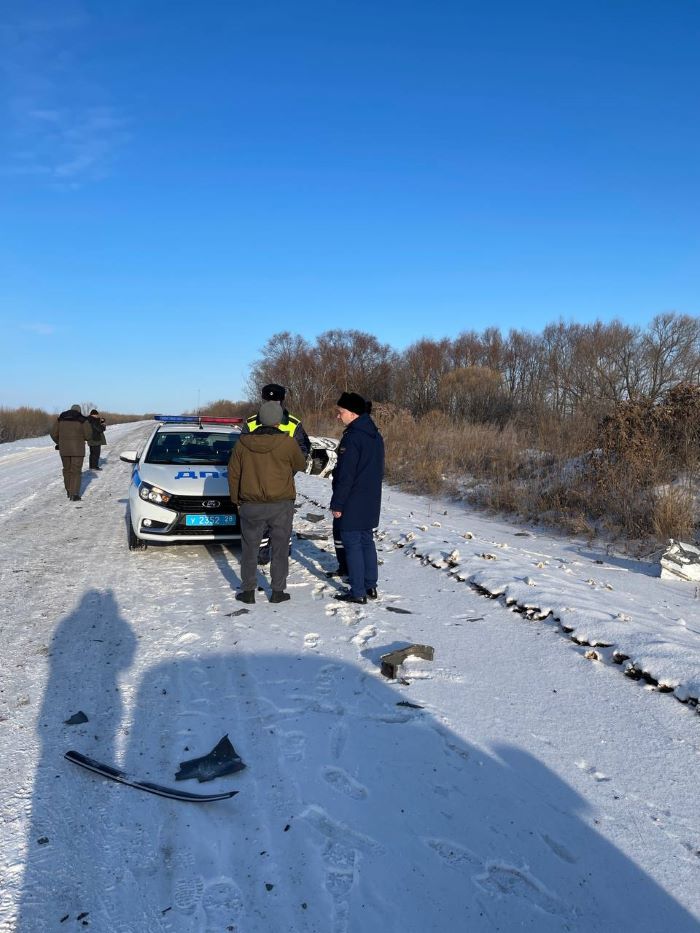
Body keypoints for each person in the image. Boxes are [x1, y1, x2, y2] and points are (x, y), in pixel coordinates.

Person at [228, 400, 307, 604]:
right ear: (279, 422)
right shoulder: (288, 443)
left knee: (249, 548)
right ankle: (278, 591)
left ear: (260, 420)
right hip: (281, 503)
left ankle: (248, 591)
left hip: (250, 504)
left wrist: (237, 500)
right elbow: (301, 464)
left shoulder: (242, 443)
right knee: (280, 548)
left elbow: (233, 473)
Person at [242, 383, 311, 563]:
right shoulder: (251, 422)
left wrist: (287, 472)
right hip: (257, 482)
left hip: (283, 482)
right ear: (263, 401)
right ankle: (261, 555)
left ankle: (282, 556)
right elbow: (242, 451)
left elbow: (303, 450)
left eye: (276, 401)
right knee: (260, 522)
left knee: (282, 521)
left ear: (282, 401)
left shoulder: (294, 424)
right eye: (268, 401)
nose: (272, 404)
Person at [330, 392, 384, 604]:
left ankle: (358, 592)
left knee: (352, 544)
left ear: (352, 413)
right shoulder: (375, 435)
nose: (338, 416)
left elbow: (346, 475)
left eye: (341, 412)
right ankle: (370, 586)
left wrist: (338, 503)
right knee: (366, 541)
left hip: (353, 499)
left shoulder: (353, 437)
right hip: (371, 498)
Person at [50, 404, 93, 501]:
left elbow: (53, 433)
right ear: (79, 411)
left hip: (64, 449)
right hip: (78, 450)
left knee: (66, 470)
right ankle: (74, 494)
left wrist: (59, 442)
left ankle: (69, 491)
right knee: (76, 471)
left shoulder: (60, 419)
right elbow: (88, 436)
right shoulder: (82, 420)